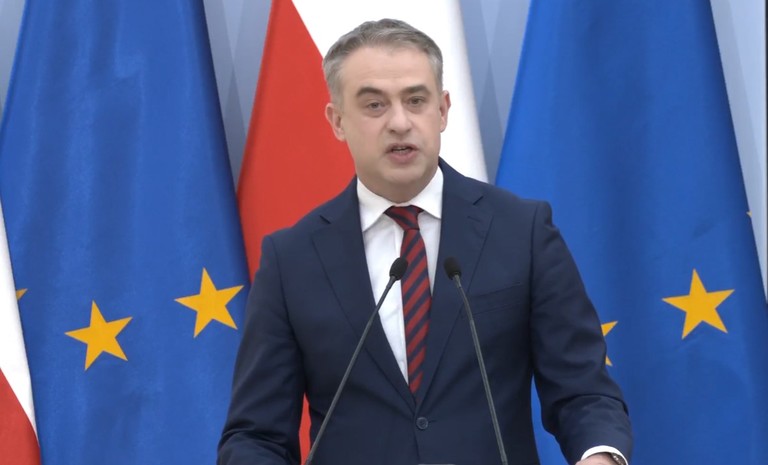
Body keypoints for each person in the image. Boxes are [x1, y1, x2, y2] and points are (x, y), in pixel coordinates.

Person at [218, 18, 632, 465]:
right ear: (337, 121)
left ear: (443, 110)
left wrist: (599, 456)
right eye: (374, 105)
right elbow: (255, 435)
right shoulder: (292, 260)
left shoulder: (522, 231)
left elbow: (583, 392)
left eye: (416, 100)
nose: (400, 122)